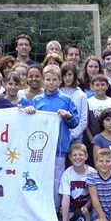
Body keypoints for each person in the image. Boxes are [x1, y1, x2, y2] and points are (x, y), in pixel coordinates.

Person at [25, 65, 79, 207]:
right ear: (43, 80)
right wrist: (29, 111)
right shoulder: (37, 100)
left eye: (54, 80)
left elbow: (75, 122)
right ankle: (39, 208)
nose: (51, 82)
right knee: (39, 178)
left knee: (56, 181)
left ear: (60, 80)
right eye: (48, 79)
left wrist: (68, 115)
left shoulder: (66, 100)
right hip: (39, 150)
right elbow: (29, 123)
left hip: (58, 149)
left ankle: (55, 210)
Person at [59, 143, 94, 221]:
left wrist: (87, 206)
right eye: (74, 155)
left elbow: (94, 196)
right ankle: (64, 220)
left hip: (85, 208)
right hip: (72, 207)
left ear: (86, 156)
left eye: (81, 155)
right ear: (70, 157)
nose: (78, 157)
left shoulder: (92, 173)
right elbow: (65, 198)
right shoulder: (67, 174)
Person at [85, 75, 111, 157]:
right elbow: (86, 125)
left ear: (107, 86)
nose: (100, 87)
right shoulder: (88, 102)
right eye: (97, 85)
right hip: (93, 139)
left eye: (103, 84)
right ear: (92, 86)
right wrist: (93, 141)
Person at [59, 63, 87, 143]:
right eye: (64, 75)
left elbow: (83, 121)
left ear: (74, 75)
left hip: (76, 137)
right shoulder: (57, 93)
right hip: (59, 136)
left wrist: (72, 136)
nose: (67, 78)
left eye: (70, 74)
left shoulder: (82, 95)